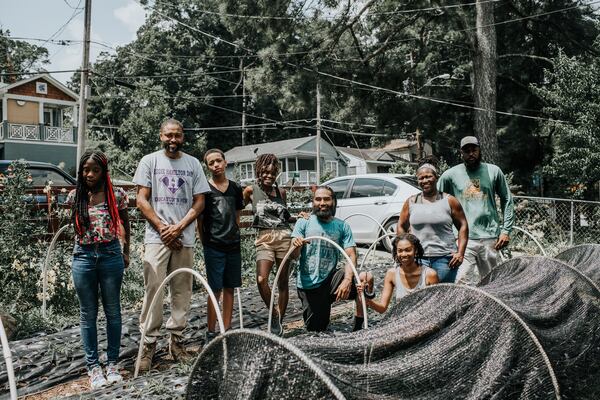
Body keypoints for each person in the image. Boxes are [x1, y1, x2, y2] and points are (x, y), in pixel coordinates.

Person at [134, 118, 210, 371]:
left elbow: (200, 201)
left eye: (177, 135)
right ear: (161, 136)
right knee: (154, 289)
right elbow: (142, 200)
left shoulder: (193, 164)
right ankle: (148, 344)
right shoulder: (149, 161)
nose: (173, 140)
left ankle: (176, 342)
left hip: (184, 237)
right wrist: (163, 228)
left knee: (182, 290)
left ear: (183, 137)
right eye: (168, 135)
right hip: (157, 237)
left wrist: (179, 227)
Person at [67, 150, 130, 389]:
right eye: (85, 170)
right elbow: (69, 226)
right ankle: (93, 367)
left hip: (110, 254)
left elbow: (125, 223)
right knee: (88, 313)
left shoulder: (117, 196)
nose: (89, 174)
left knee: (113, 311)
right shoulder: (75, 197)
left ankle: (112, 363)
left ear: (104, 171)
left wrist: (126, 252)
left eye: (95, 170)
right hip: (83, 256)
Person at [437, 136, 514, 285]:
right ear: (461, 153)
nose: (471, 154)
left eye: (474, 150)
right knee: (459, 280)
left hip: (490, 237)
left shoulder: (493, 171)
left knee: (491, 282)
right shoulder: (450, 175)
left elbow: (507, 199)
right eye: (467, 151)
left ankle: (490, 308)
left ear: (479, 151)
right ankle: (463, 308)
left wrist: (506, 231)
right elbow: (437, 202)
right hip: (463, 239)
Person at [291, 186, 365, 332]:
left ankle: (358, 328)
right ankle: (320, 315)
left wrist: (347, 280)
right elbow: (293, 255)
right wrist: (296, 245)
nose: (322, 203)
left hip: (332, 280)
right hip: (309, 285)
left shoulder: (342, 226)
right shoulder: (303, 222)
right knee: (316, 330)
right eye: (318, 199)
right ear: (313, 202)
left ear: (333, 202)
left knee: (364, 278)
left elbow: (351, 255)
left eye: (326, 199)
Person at [243, 154, 295, 336]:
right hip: (264, 239)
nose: (269, 176)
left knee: (282, 282)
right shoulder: (250, 190)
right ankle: (273, 313)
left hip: (284, 238)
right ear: (259, 171)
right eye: (265, 172)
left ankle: (278, 324)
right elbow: (236, 207)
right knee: (261, 279)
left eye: (272, 173)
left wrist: (299, 217)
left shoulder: (281, 192)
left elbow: (286, 217)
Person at [197, 149, 244, 343]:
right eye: (211, 163)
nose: (216, 165)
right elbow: (200, 219)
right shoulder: (205, 191)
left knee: (229, 287)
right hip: (214, 245)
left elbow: (237, 215)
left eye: (218, 161)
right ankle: (211, 331)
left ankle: (227, 330)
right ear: (207, 167)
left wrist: (234, 232)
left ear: (225, 162)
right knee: (214, 289)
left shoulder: (235, 188)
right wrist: (205, 241)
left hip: (233, 245)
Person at [397, 157, 468, 283]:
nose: (425, 180)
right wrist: (404, 248)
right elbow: (401, 225)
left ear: (436, 177)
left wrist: (460, 253)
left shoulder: (449, 200)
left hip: (445, 259)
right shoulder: (411, 202)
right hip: (418, 259)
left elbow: (463, 225)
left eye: (428, 176)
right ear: (417, 180)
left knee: (442, 297)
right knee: (420, 296)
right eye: (421, 178)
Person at [357, 234, 438, 314]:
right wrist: (366, 299)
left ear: (415, 250)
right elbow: (382, 308)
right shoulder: (392, 274)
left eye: (408, 250)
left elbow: (436, 308)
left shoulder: (429, 275)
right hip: (400, 320)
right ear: (396, 252)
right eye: (400, 250)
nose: (403, 254)